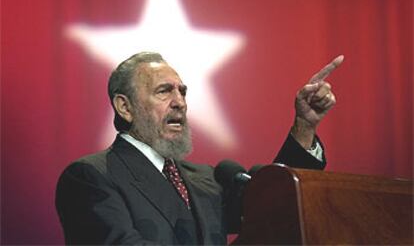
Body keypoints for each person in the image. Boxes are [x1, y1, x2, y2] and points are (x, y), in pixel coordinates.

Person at [55, 52, 343, 245]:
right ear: (125, 107)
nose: (180, 102)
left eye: (182, 91)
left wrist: (304, 125)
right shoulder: (91, 176)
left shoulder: (207, 178)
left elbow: (275, 205)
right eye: (164, 91)